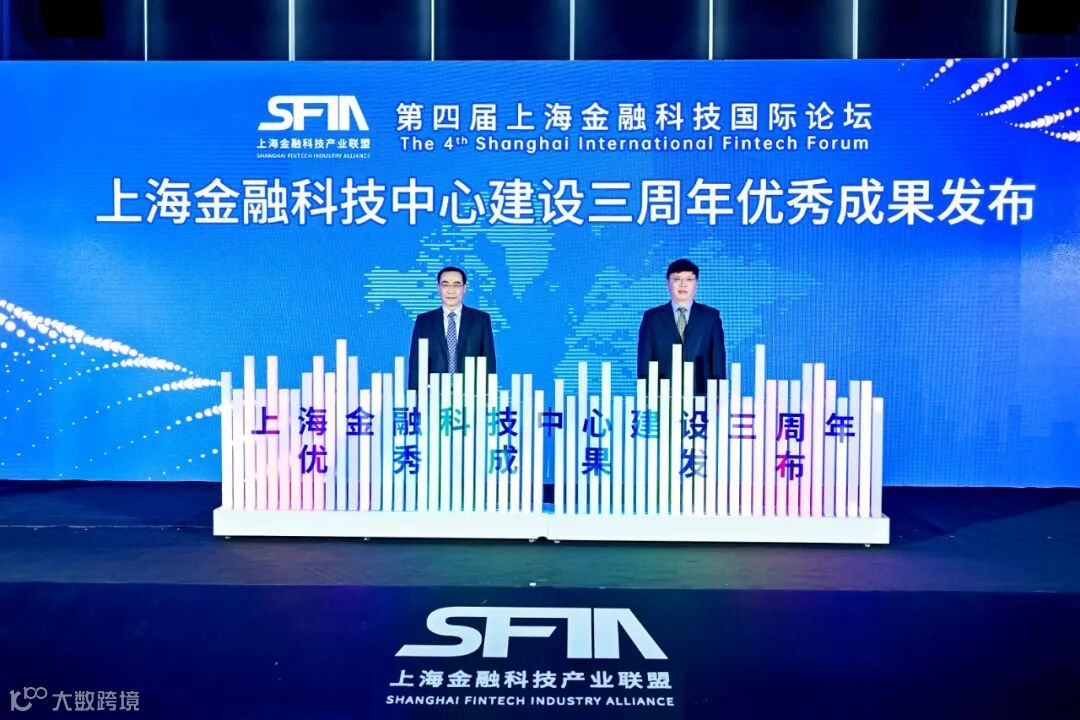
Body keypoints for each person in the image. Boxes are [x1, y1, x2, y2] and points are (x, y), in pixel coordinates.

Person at [637, 259, 726, 395]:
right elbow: (644, 360)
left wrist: (719, 396)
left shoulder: (711, 317)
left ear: (696, 283)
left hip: (701, 395)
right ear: (667, 283)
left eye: (689, 279)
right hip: (662, 394)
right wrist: (646, 395)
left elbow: (718, 360)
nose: (683, 284)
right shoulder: (651, 318)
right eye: (677, 279)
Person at [408, 266, 496, 390]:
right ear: (438, 288)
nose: (451, 290)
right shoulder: (424, 321)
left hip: (471, 394)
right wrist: (415, 396)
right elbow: (416, 363)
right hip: (434, 393)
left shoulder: (481, 320)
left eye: (456, 285)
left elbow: (488, 361)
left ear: (464, 288)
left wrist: (488, 395)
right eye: (445, 285)